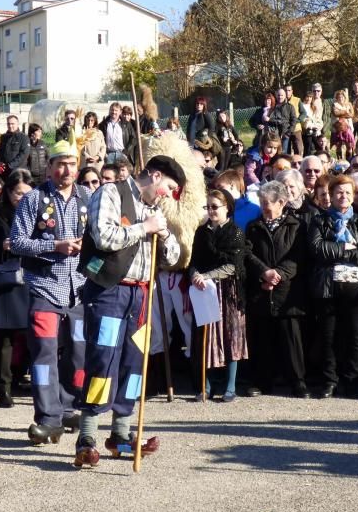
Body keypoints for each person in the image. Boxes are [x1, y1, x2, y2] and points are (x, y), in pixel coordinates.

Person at [72, 155, 183, 468]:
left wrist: (161, 233)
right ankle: (87, 437)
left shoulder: (155, 209)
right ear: (155, 175)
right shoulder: (109, 193)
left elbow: (173, 257)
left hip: (142, 295)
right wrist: (143, 227)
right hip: (110, 290)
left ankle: (121, 434)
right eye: (168, 187)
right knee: (102, 360)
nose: (168, 195)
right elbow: (104, 236)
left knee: (135, 364)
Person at [10, 141, 90, 445]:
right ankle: (47, 419)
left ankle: (69, 407)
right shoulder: (33, 200)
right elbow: (16, 242)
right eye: (60, 163)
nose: (65, 169)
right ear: (49, 167)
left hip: (81, 290)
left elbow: (99, 239)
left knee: (79, 352)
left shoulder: (88, 198)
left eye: (71, 163)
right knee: (44, 355)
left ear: (78, 166)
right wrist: (54, 246)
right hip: (44, 286)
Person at [308, 175, 358, 399]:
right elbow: (317, 249)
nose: (343, 196)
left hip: (357, 287)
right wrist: (347, 247)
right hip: (329, 286)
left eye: (348, 192)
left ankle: (352, 380)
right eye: (338, 192)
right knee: (329, 335)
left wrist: (337, 250)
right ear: (331, 195)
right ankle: (330, 380)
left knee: (356, 336)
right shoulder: (319, 221)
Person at [243, 180, 308, 398]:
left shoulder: (296, 226)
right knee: (262, 339)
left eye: (267, 204)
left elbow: (298, 255)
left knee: (291, 339)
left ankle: (297, 381)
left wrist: (278, 274)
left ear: (281, 202)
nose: (263, 208)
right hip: (261, 289)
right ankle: (261, 381)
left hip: (287, 291)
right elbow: (247, 254)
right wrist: (264, 273)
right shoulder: (253, 227)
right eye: (261, 203)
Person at [189, 189, 248, 402]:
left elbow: (234, 264)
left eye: (215, 206)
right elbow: (194, 259)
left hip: (228, 290)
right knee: (205, 335)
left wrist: (207, 276)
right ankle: (206, 385)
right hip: (205, 289)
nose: (211, 211)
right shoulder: (201, 232)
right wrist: (195, 274)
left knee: (231, 335)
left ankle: (230, 386)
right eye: (208, 207)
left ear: (227, 208)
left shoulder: (235, 232)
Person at [0, 169, 33, 408]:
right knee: (5, 339)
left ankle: (35, 382)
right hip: (8, 280)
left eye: (27, 193)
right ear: (8, 192)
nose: (21, 198)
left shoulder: (39, 213)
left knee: (35, 336)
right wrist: (2, 246)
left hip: (33, 278)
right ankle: (3, 386)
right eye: (17, 193)